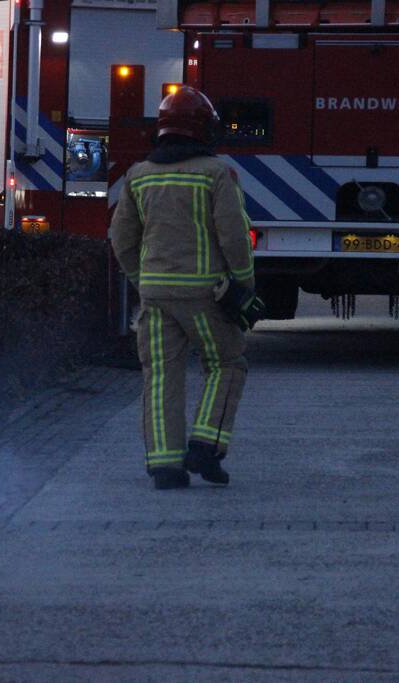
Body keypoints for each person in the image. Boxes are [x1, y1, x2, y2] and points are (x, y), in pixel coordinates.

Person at [109, 85, 256, 490]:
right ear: (204, 131)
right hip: (205, 295)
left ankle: (165, 466)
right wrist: (244, 286)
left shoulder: (137, 176)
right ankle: (206, 445)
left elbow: (121, 240)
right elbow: (234, 236)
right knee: (227, 363)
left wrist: (144, 281)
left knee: (160, 375)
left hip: (155, 297)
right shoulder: (216, 173)